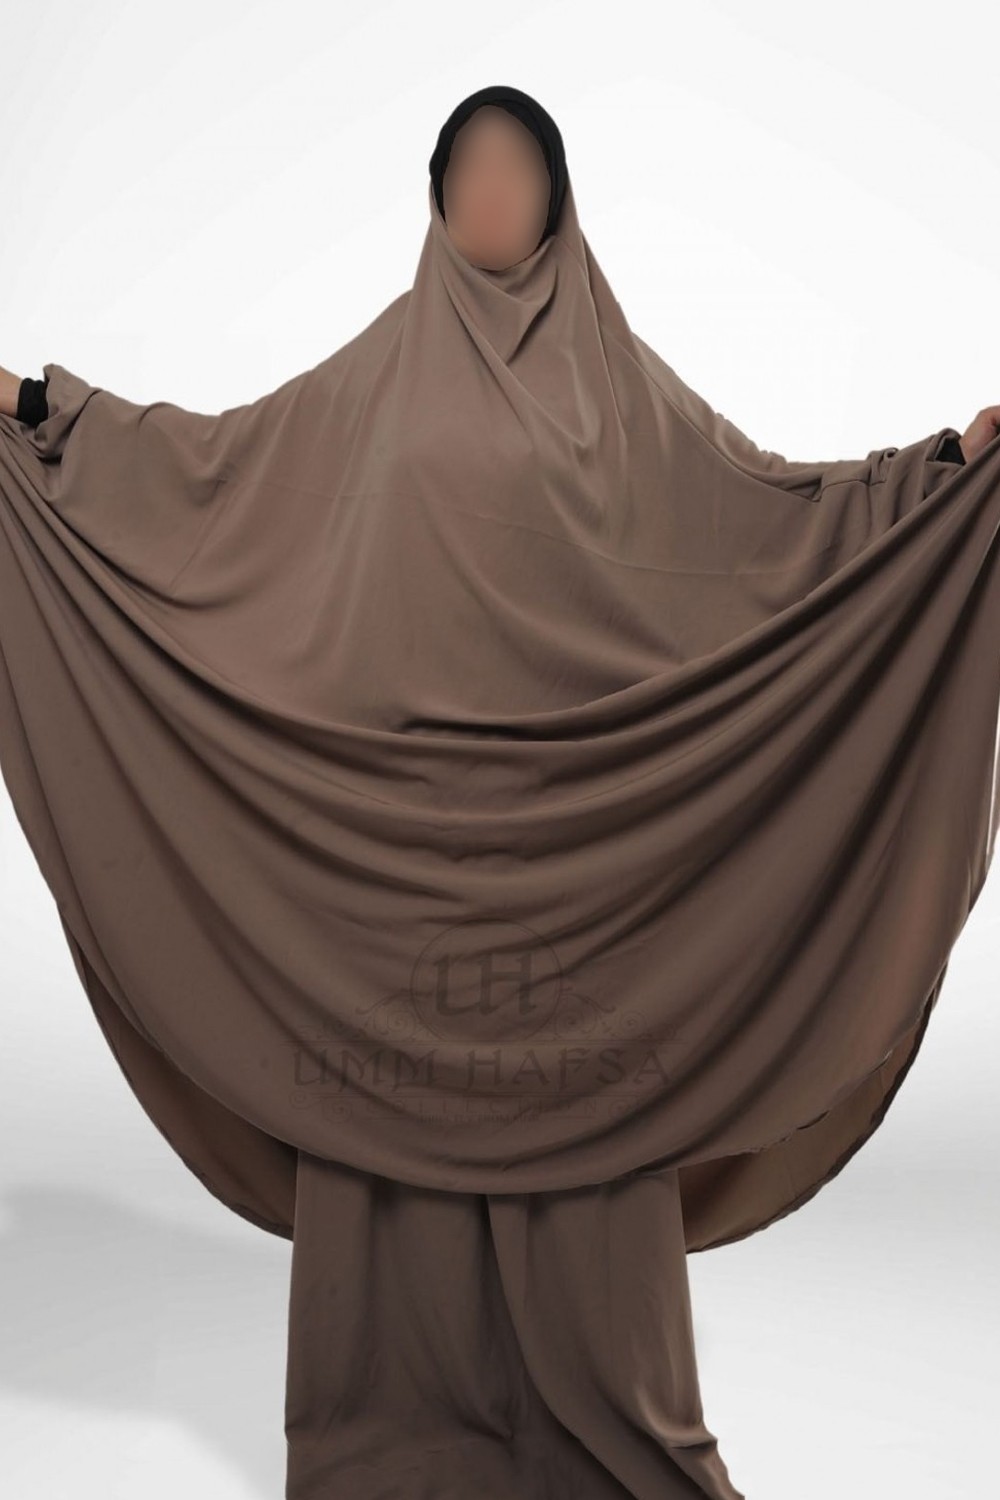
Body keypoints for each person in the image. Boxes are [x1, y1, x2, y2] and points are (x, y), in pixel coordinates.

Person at [3, 84, 1000, 1500]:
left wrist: (940, 478)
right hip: (392, 843)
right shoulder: (373, 382)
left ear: (559, 200)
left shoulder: (626, 394)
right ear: (432, 199)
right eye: (467, 171)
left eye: (518, 171)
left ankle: (593, 1419)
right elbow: (211, 470)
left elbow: (767, 512)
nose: (491, 195)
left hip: (588, 856)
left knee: (585, 1115)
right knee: (385, 1116)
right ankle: (401, 1430)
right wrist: (38, 410)